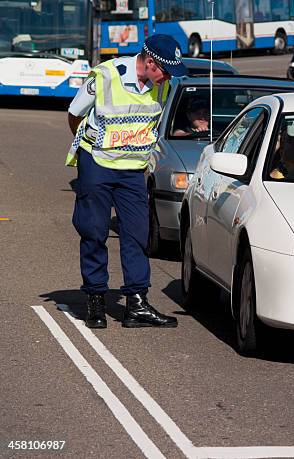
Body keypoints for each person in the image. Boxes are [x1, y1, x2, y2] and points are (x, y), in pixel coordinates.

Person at [66, 34, 186, 329]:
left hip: (133, 170)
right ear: (149, 62)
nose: (168, 78)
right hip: (98, 164)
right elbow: (74, 114)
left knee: (136, 234)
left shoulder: (163, 86)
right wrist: (91, 150)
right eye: (165, 71)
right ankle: (95, 300)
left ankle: (136, 303)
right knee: (94, 232)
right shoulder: (106, 75)